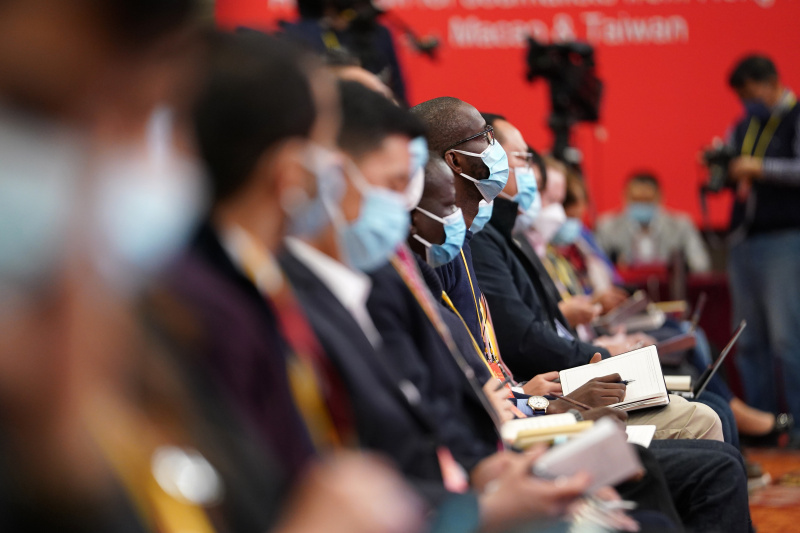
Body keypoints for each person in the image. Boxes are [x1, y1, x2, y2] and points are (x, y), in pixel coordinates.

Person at [725, 54, 800, 446]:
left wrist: (759, 168)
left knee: (789, 340)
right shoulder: (744, 126)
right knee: (749, 343)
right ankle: (764, 428)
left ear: (769, 82)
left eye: (749, 92)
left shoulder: (795, 116)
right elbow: (732, 168)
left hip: (785, 238)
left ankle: (798, 428)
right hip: (744, 240)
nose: (746, 101)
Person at [595, 173, 711, 273]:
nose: (642, 204)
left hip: (669, 290)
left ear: (660, 197)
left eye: (647, 200)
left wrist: (680, 268)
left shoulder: (680, 226)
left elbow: (700, 265)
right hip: (625, 290)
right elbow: (597, 267)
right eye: (636, 200)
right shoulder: (607, 227)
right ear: (625, 197)